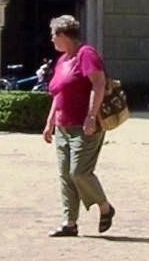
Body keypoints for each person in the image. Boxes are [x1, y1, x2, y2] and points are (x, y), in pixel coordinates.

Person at [42, 15, 116, 236]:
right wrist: (49, 123)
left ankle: (105, 207)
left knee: (79, 173)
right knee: (65, 175)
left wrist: (91, 116)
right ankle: (69, 223)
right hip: (63, 127)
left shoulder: (86, 54)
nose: (51, 40)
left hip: (84, 126)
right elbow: (59, 94)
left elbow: (98, 83)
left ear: (63, 34)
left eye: (53, 35)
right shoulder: (62, 60)